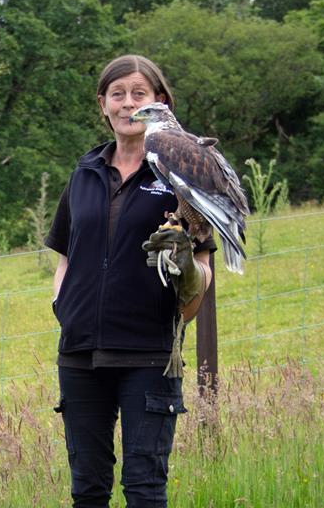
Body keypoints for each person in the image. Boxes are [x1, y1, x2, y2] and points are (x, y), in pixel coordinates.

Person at [46, 54, 215, 507]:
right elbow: (65, 255)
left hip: (149, 354)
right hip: (80, 354)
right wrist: (62, 307)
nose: (128, 104)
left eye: (139, 94)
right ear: (103, 104)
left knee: (143, 489)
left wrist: (186, 270)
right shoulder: (85, 172)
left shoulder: (180, 171)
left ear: (159, 101)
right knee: (88, 489)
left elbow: (203, 268)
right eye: (117, 94)